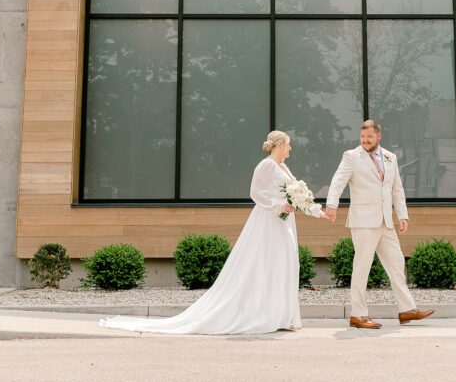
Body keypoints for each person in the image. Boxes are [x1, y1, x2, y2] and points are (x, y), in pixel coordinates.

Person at [99, 130, 324, 335]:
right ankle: (263, 314)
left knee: (284, 263)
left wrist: (318, 211)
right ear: (279, 145)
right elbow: (255, 193)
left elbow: (297, 195)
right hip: (268, 221)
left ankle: (281, 315)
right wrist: (277, 205)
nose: (291, 149)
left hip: (284, 222)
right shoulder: (266, 165)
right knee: (265, 263)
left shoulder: (284, 167)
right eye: (288, 145)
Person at [324, 119, 435, 329]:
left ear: (379, 136)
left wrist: (403, 215)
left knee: (396, 264)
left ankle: (407, 309)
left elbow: (397, 189)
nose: (365, 141)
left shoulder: (390, 157)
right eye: (363, 137)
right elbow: (338, 180)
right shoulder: (352, 156)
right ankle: (358, 314)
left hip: (386, 221)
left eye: (369, 137)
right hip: (364, 221)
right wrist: (331, 204)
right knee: (362, 266)